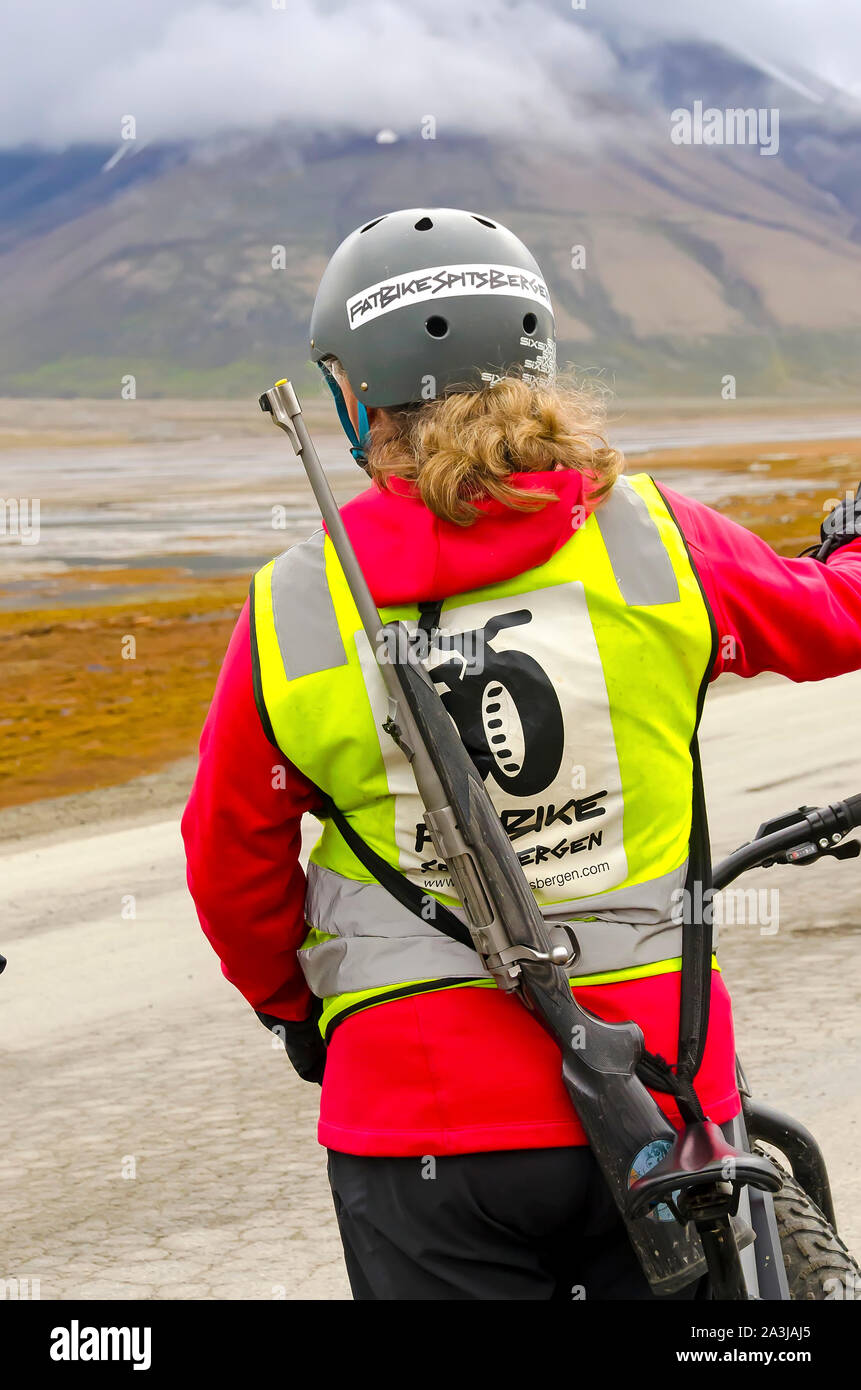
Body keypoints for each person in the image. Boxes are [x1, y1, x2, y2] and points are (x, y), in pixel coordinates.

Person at [182, 207, 861, 1300]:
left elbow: (229, 859)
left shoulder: (291, 609)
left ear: (358, 400)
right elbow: (840, 617)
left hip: (416, 1126)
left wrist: (297, 1011)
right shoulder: (657, 538)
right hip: (666, 1091)